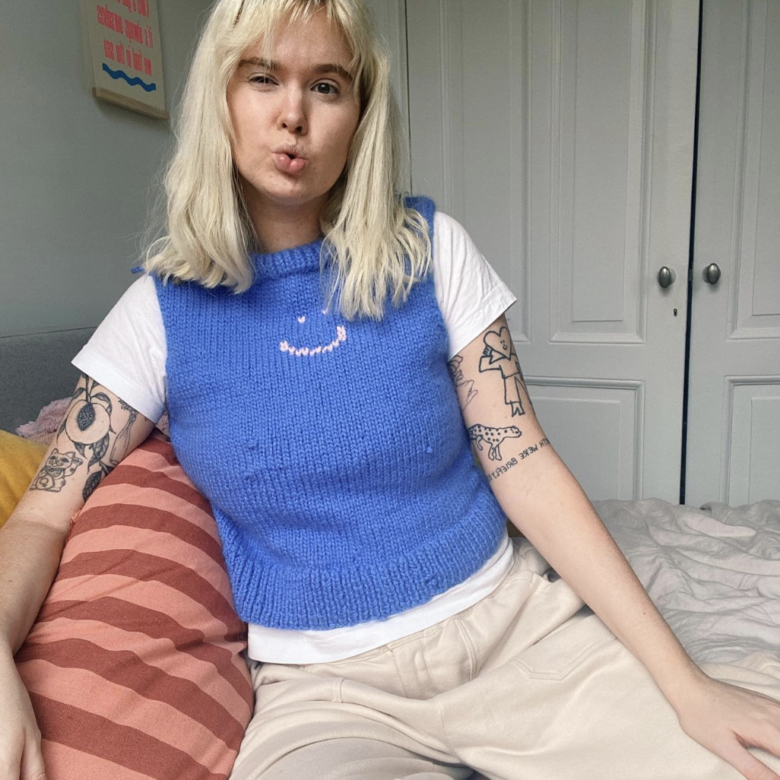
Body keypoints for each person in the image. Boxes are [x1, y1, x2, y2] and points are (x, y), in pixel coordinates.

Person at [2, 0, 780, 778]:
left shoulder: (432, 250)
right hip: (325, 698)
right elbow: (42, 512)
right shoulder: (157, 314)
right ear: (220, 97)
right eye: (263, 77)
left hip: (514, 635)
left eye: (328, 86)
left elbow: (523, 462)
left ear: (361, 111)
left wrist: (685, 683)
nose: (293, 117)